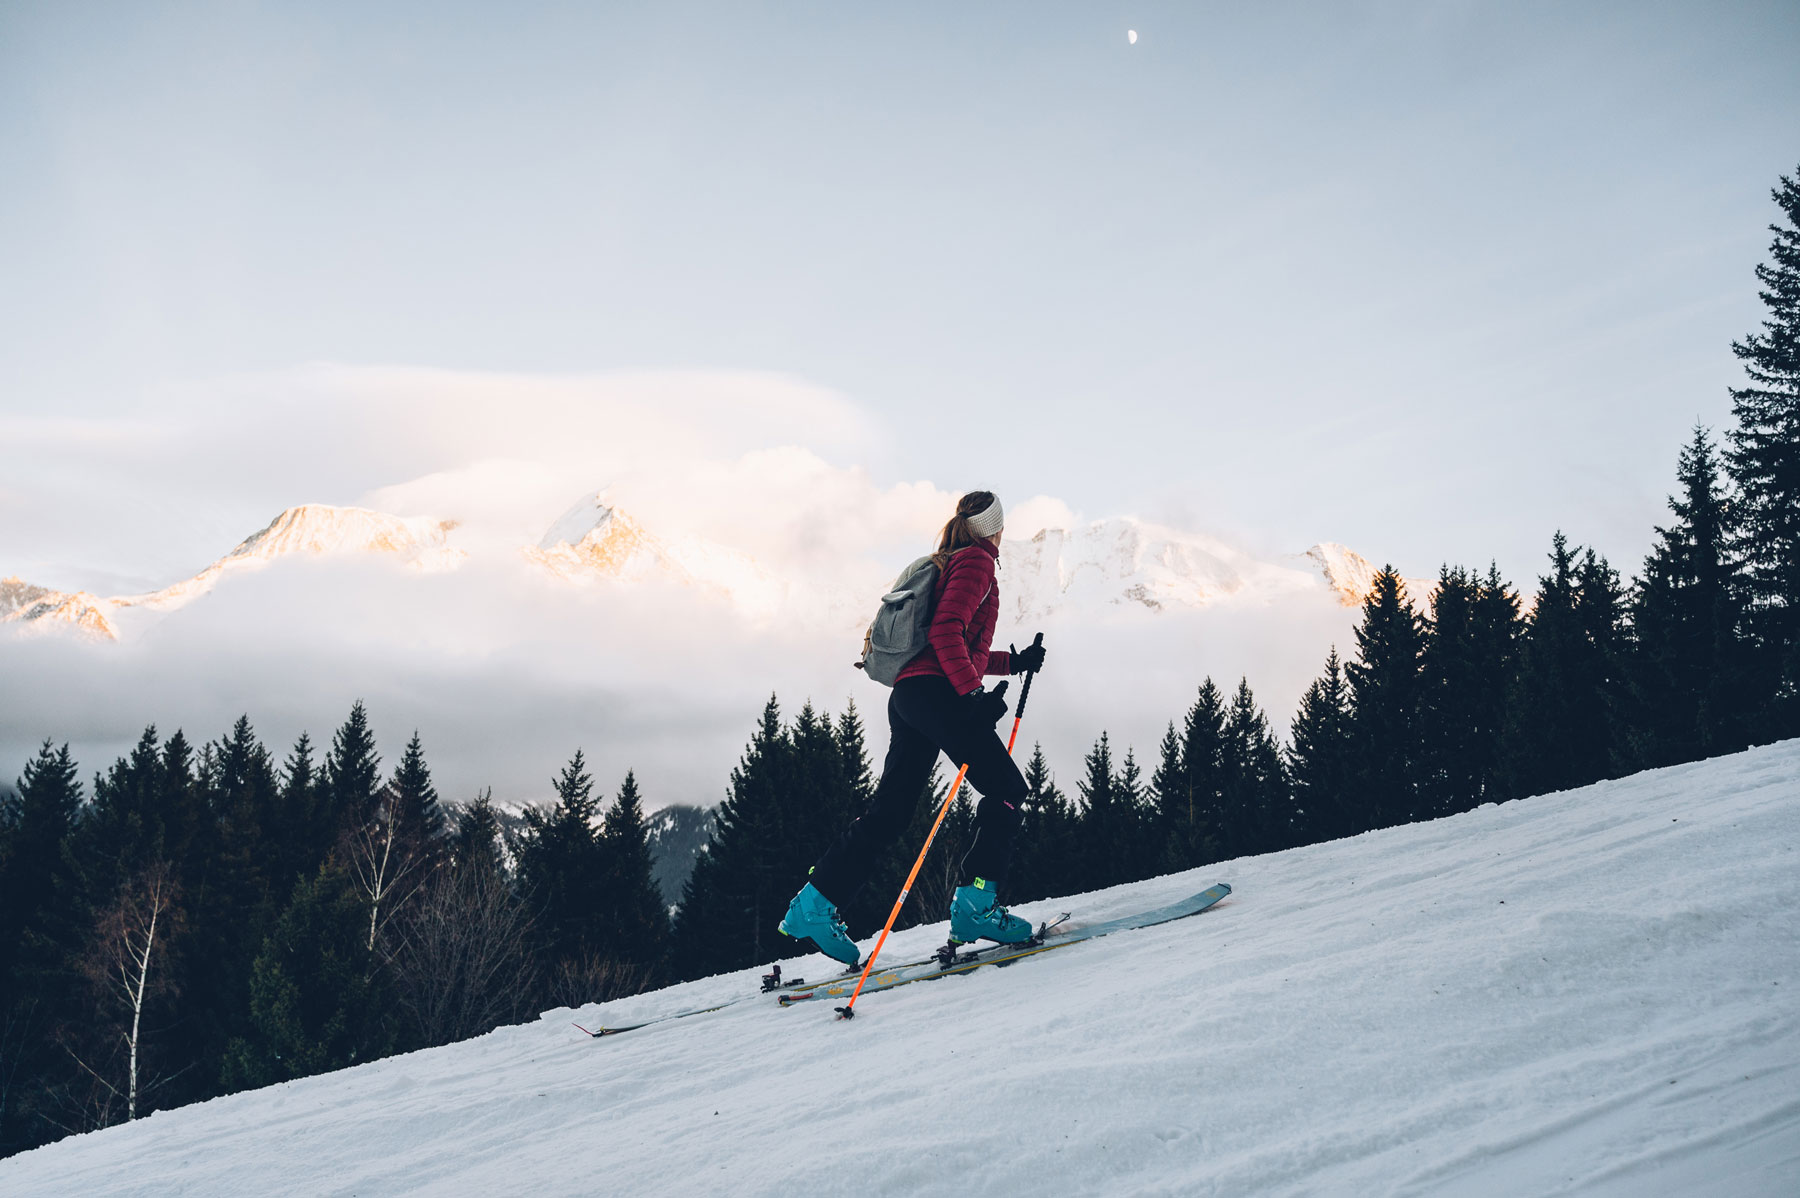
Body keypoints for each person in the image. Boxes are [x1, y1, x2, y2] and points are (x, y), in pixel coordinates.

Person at [779, 490, 1048, 966]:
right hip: (937, 695)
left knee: (891, 812)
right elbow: (946, 633)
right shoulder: (978, 563)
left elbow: (948, 644)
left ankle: (814, 904)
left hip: (910, 696)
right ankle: (976, 908)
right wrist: (972, 697)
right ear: (997, 528)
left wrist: (1012, 664)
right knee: (1007, 789)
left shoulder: (951, 559)